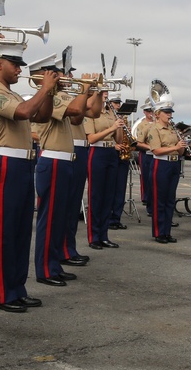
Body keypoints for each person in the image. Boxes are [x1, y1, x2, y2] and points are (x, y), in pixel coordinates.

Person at [0, 44, 54, 312]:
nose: (20, 70)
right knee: (6, 233)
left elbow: (43, 116)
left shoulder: (10, 93)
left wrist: (48, 92)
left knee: (22, 231)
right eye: (15, 64)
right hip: (7, 165)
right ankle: (2, 293)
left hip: (24, 164)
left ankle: (17, 288)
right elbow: (23, 112)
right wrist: (44, 88)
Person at [32, 58, 93, 286]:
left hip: (65, 161)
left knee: (59, 219)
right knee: (49, 220)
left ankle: (54, 264)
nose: (64, 78)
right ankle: (45, 270)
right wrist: (85, 88)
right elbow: (77, 108)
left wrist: (92, 93)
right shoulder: (50, 98)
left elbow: (79, 116)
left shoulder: (59, 98)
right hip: (53, 161)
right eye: (58, 74)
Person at [61, 63, 103, 266]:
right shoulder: (61, 97)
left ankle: (69, 248)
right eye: (67, 73)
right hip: (69, 148)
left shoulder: (73, 95)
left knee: (73, 204)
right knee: (65, 205)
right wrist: (87, 89)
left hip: (79, 148)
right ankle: (62, 250)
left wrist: (98, 92)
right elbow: (78, 116)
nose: (71, 77)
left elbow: (94, 112)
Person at [84, 90, 124, 249]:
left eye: (107, 93)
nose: (106, 96)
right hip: (97, 152)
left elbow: (118, 140)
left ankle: (104, 235)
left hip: (111, 153)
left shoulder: (110, 113)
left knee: (109, 196)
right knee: (96, 196)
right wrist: (112, 127)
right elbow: (91, 138)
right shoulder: (90, 113)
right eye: (103, 93)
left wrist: (119, 125)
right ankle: (93, 237)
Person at [146, 100, 186, 243]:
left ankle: (167, 231)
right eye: (166, 113)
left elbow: (180, 152)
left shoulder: (172, 129)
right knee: (159, 200)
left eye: (170, 113)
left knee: (170, 200)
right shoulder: (154, 129)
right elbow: (156, 150)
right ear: (158, 114)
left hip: (174, 164)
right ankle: (159, 232)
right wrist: (175, 147)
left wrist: (181, 144)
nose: (169, 116)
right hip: (161, 164)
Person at [108, 93, 133, 230]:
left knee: (120, 189)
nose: (118, 105)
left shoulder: (123, 117)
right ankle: (109, 217)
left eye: (119, 103)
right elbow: (102, 134)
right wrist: (113, 144)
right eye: (116, 102)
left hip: (123, 155)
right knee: (110, 188)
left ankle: (116, 218)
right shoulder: (106, 117)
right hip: (111, 153)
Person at [135, 103, 155, 216]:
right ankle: (147, 200)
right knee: (146, 178)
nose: (150, 113)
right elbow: (139, 141)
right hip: (146, 153)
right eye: (148, 111)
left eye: (152, 111)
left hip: (157, 154)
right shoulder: (142, 125)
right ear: (144, 112)